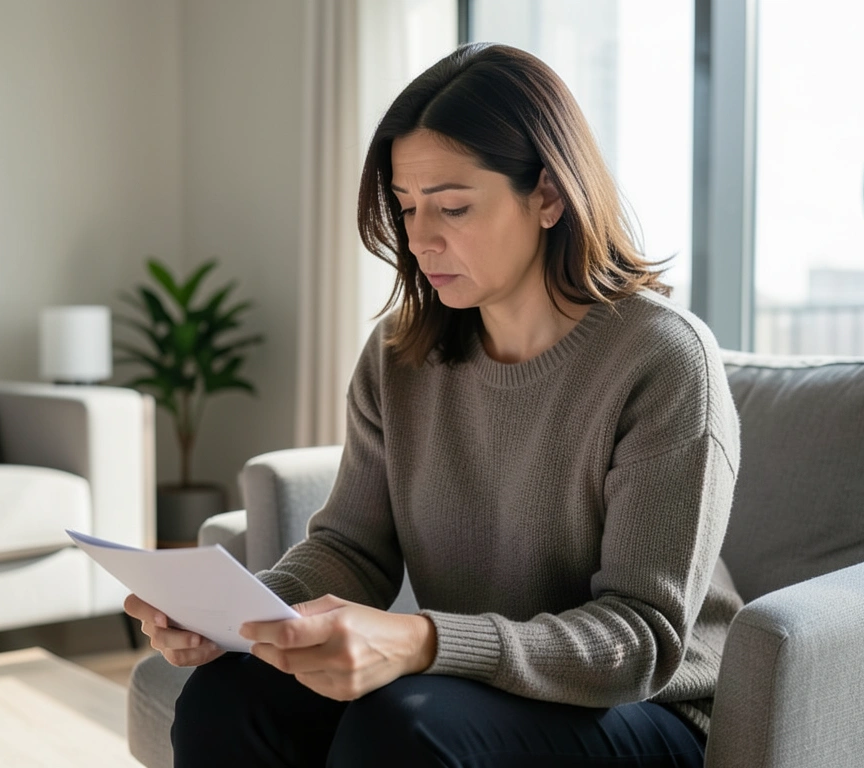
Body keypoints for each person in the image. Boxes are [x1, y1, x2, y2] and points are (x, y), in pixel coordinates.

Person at [124, 42, 743, 768]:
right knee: (230, 693)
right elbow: (352, 549)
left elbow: (641, 639)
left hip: (646, 710)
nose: (419, 239)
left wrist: (422, 642)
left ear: (547, 195)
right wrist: (244, 617)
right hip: (469, 684)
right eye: (407, 206)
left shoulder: (663, 361)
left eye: (452, 207)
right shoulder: (400, 354)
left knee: (401, 725)